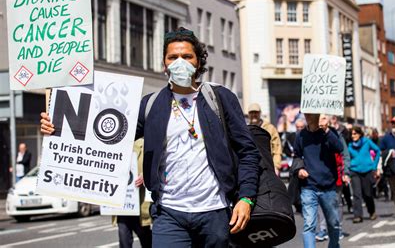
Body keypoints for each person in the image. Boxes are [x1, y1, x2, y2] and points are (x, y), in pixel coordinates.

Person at [41, 27, 261, 248]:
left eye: (187, 56)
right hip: (169, 214)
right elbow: (109, 137)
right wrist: (59, 127)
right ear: (164, 65)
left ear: (198, 62)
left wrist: (246, 198)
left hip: (215, 213)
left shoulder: (219, 98)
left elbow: (248, 152)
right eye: (173, 57)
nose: (179, 62)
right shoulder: (150, 104)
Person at [294, 113, 344, 248]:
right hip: (309, 186)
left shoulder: (329, 133)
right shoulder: (300, 135)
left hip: (328, 186)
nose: (309, 116)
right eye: (307, 114)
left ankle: (334, 245)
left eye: (312, 114)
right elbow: (297, 156)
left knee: (333, 223)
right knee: (309, 224)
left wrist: (327, 131)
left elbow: (340, 148)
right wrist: (299, 169)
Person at [113, 139, 152, 248]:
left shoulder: (145, 143)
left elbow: (157, 163)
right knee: (124, 238)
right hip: (123, 204)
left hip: (139, 203)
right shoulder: (115, 145)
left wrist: (146, 175)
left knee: (145, 238)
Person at [348, 126, 380, 223]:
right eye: (352, 134)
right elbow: (345, 157)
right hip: (354, 171)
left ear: (360, 134)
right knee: (356, 194)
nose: (353, 136)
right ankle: (357, 215)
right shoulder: (349, 145)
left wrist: (374, 166)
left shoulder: (366, 142)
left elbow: (377, 151)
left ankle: (372, 211)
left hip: (367, 170)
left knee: (367, 193)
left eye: (355, 133)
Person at [248, 103, 283, 175]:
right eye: (251, 112)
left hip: (268, 166)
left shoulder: (270, 128)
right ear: (248, 114)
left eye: (256, 112)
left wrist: (276, 166)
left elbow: (277, 149)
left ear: (260, 113)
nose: (254, 114)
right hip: (252, 166)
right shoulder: (246, 128)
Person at [329, 116, 352, 214]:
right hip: (323, 175)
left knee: (338, 200)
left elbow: (345, 153)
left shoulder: (341, 134)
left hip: (338, 172)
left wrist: (346, 172)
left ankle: (336, 227)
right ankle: (324, 229)